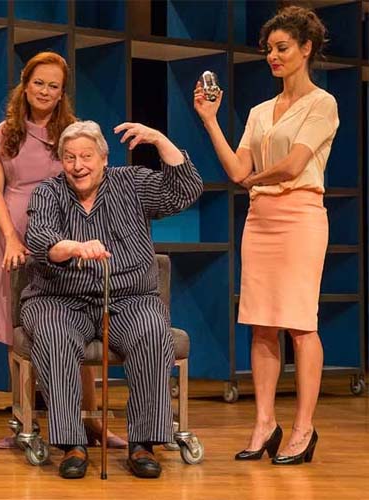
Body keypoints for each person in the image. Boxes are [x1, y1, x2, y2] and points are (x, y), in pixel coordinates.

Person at [194, 5, 336, 465]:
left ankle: (303, 428)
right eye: (269, 49)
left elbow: (293, 165)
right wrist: (210, 119)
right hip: (260, 221)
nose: (273, 56)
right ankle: (264, 423)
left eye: (282, 48)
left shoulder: (322, 103)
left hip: (300, 217)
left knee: (301, 323)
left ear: (306, 48)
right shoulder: (259, 112)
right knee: (261, 324)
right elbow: (238, 168)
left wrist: (256, 180)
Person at [22, 120, 202, 479]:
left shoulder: (131, 183)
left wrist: (158, 139)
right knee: (54, 335)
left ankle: (143, 444)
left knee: (152, 331)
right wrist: (72, 247)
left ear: (104, 158)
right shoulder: (48, 192)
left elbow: (184, 191)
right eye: (70, 158)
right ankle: (72, 444)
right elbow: (40, 239)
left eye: (86, 156)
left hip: (129, 298)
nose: (78, 166)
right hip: (59, 297)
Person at [0, 51, 126, 449]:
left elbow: (91, 180)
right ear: (25, 85)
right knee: (18, 334)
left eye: (53, 86)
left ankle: (91, 423)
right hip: (12, 234)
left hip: (64, 235)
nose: (44, 91)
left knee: (78, 323)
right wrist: (11, 237)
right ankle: (24, 424)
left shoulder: (72, 132)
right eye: (38, 83)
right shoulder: (6, 132)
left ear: (61, 93)